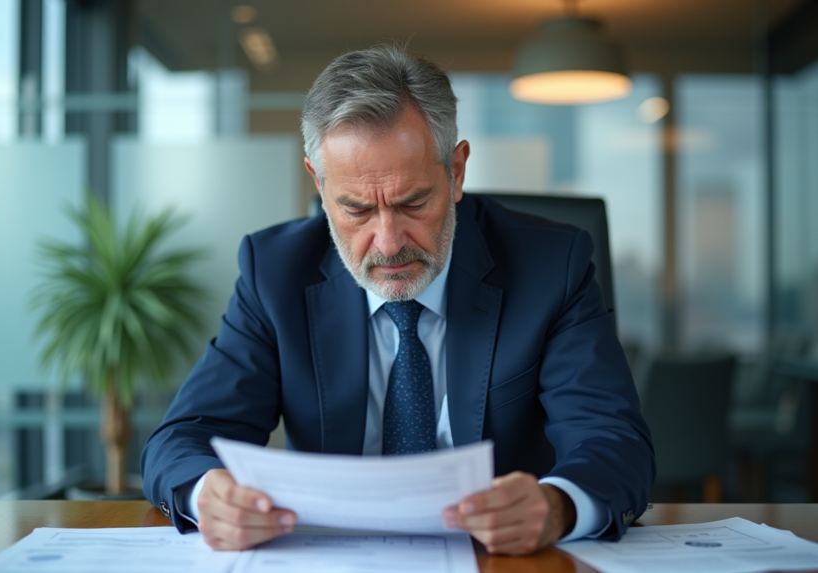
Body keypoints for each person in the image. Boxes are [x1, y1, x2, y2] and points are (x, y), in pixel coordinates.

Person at [141, 44, 655, 555]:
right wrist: (209, 494)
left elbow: (614, 442)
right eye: (356, 209)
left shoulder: (550, 267)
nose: (388, 244)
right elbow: (182, 438)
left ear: (456, 171)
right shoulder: (274, 273)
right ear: (319, 185)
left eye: (413, 203)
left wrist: (557, 506)